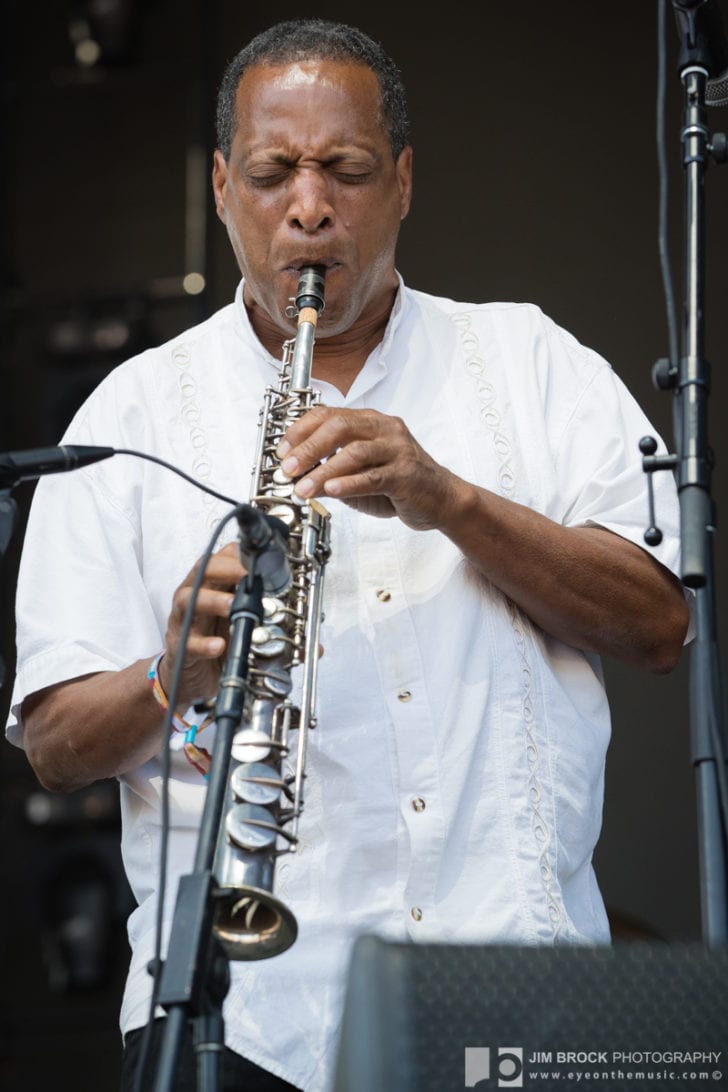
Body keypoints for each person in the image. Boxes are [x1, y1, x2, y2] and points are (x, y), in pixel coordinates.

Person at [6, 17, 691, 1092]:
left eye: (348, 171)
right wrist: (172, 672)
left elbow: (659, 623)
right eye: (272, 173)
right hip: (246, 1019)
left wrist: (448, 499)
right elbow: (52, 743)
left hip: (521, 992)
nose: (310, 207)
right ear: (222, 187)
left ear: (404, 181)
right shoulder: (128, 415)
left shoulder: (530, 358)